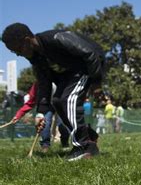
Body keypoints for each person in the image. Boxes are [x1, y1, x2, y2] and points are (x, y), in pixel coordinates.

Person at [2, 23, 104, 161]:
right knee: (57, 101)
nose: (18, 54)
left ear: (27, 41)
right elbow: (44, 82)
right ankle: (89, 136)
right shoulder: (36, 57)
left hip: (88, 65)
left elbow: (90, 53)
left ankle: (85, 147)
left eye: (18, 49)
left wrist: (96, 82)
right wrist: (41, 113)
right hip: (71, 72)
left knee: (67, 99)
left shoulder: (56, 38)